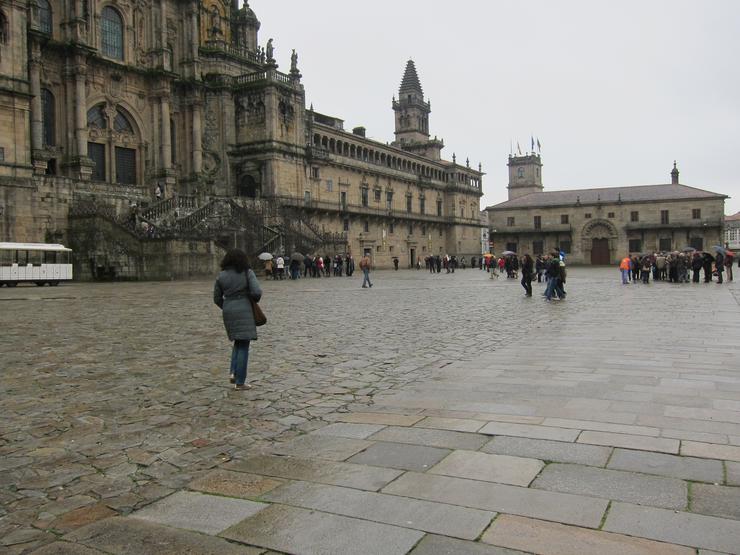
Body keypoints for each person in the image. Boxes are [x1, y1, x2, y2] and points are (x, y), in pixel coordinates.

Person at [213, 249, 262, 391]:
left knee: (237, 342)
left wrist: (227, 307)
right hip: (244, 308)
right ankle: (240, 381)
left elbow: (216, 298)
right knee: (244, 345)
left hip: (228, 309)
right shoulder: (247, 273)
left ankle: (233, 372)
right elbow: (257, 292)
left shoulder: (221, 276)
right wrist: (251, 299)